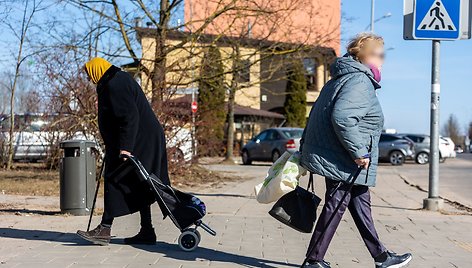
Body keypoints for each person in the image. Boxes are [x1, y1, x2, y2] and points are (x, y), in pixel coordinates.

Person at [299, 33, 412, 268]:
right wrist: (359, 152)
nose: (383, 60)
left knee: (360, 203)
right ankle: (313, 260)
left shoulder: (340, 79)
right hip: (346, 158)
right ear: (365, 56)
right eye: (379, 55)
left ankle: (381, 257)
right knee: (336, 206)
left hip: (339, 154)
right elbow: (342, 117)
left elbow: (319, 116)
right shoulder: (359, 81)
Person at [77, 57, 170, 246]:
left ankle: (104, 228)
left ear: (97, 69)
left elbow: (129, 116)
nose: (88, 78)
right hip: (141, 138)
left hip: (140, 141)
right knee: (141, 182)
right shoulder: (115, 80)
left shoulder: (115, 83)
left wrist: (125, 147)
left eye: (88, 73)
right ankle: (147, 231)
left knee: (115, 179)